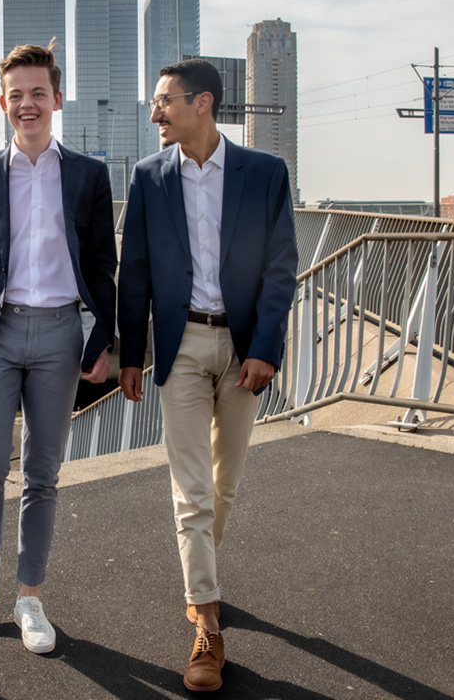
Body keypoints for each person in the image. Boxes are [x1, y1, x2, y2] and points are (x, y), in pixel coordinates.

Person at [117, 58, 297, 692]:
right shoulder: (148, 178)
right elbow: (133, 272)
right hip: (183, 346)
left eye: (164, 101)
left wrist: (267, 347)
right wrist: (130, 354)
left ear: (203, 103)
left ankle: (202, 579)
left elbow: (281, 269)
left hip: (244, 346)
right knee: (191, 490)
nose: (155, 112)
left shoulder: (266, 174)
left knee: (225, 483)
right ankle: (208, 625)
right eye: (154, 103)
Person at [0, 41, 116, 654]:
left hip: (61, 335)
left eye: (37, 93)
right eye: (15, 95)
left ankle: (30, 598)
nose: (27, 104)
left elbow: (103, 265)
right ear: (2, 102)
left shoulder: (90, 175)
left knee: (43, 475)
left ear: (56, 99)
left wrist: (106, 335)